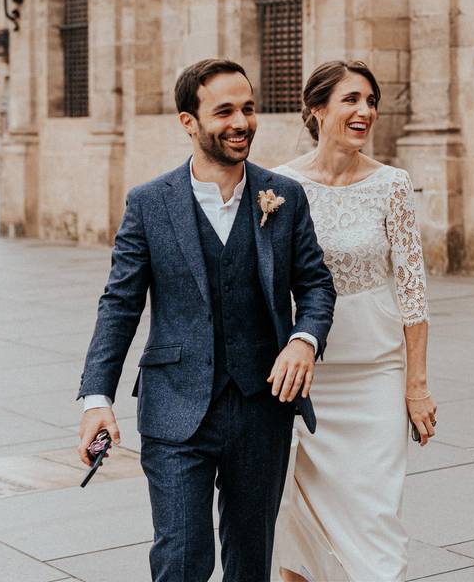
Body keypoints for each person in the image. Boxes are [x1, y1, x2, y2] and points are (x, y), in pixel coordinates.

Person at [75, 58, 336, 582]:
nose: (241, 123)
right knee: (181, 556)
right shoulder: (149, 203)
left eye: (248, 108)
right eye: (224, 112)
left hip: (262, 405)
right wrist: (96, 400)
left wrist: (304, 340)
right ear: (189, 122)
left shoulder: (284, 195)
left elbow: (315, 285)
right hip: (175, 407)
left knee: (250, 558)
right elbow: (120, 303)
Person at [273, 60, 435, 582]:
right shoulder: (279, 185)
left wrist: (417, 386)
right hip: (308, 376)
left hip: (376, 373)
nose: (365, 111)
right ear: (317, 110)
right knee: (300, 520)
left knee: (375, 516)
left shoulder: (393, 185)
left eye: (370, 101)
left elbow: (413, 292)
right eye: (351, 100)